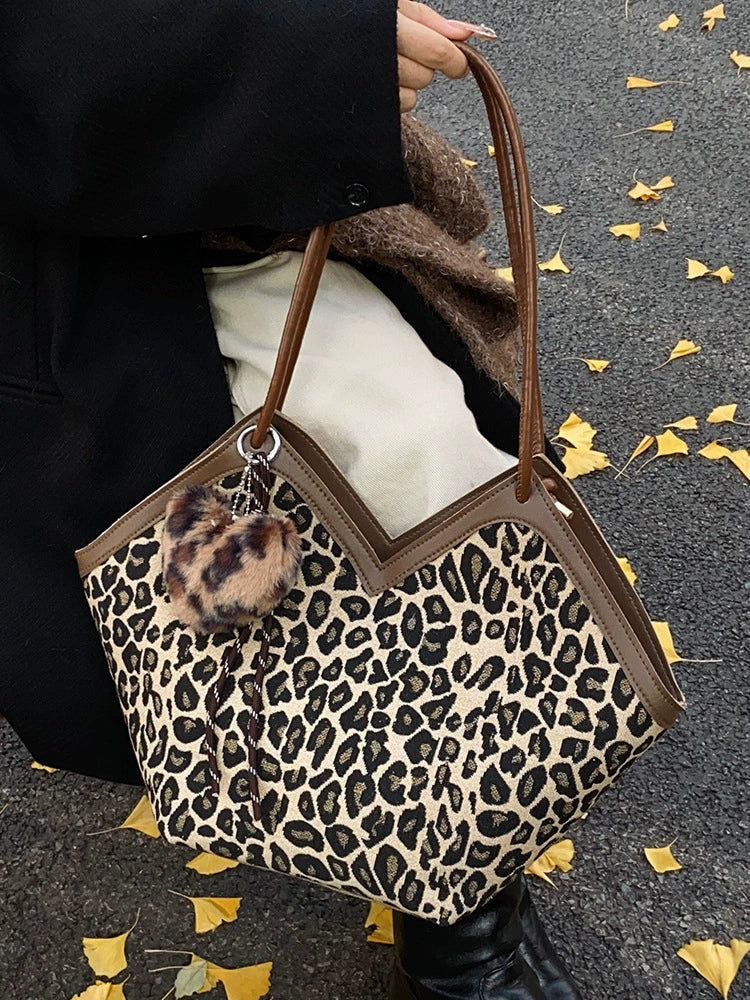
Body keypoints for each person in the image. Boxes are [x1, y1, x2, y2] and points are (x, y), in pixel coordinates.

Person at [0, 2, 580, 997]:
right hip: (68, 250)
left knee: (427, 468)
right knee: (375, 484)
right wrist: (304, 48)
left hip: (229, 186)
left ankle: (459, 899)